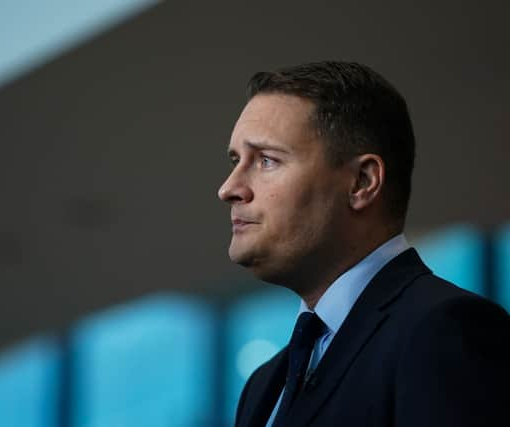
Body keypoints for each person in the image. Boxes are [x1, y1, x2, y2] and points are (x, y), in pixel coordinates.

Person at [217, 61, 510, 427]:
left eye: (266, 160)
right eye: (235, 160)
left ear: (361, 182)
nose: (229, 188)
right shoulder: (263, 385)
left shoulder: (444, 330)